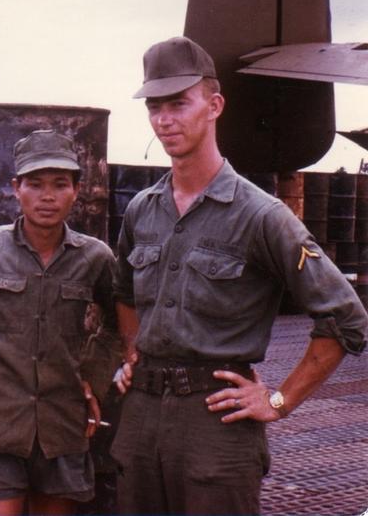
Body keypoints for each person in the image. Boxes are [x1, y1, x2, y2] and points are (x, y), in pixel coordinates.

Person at [111, 36, 368, 515]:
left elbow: (345, 317)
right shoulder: (141, 212)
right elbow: (123, 290)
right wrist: (132, 350)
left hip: (216, 420)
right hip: (141, 415)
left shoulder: (261, 216)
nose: (165, 119)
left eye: (178, 104)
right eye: (154, 107)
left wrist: (278, 399)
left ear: (214, 105)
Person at [0, 130, 119, 516]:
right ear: (15, 188)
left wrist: (95, 377)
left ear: (76, 190)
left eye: (60, 185)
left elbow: (119, 324)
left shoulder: (96, 258)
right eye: (35, 185)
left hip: (63, 427)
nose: (48, 196)